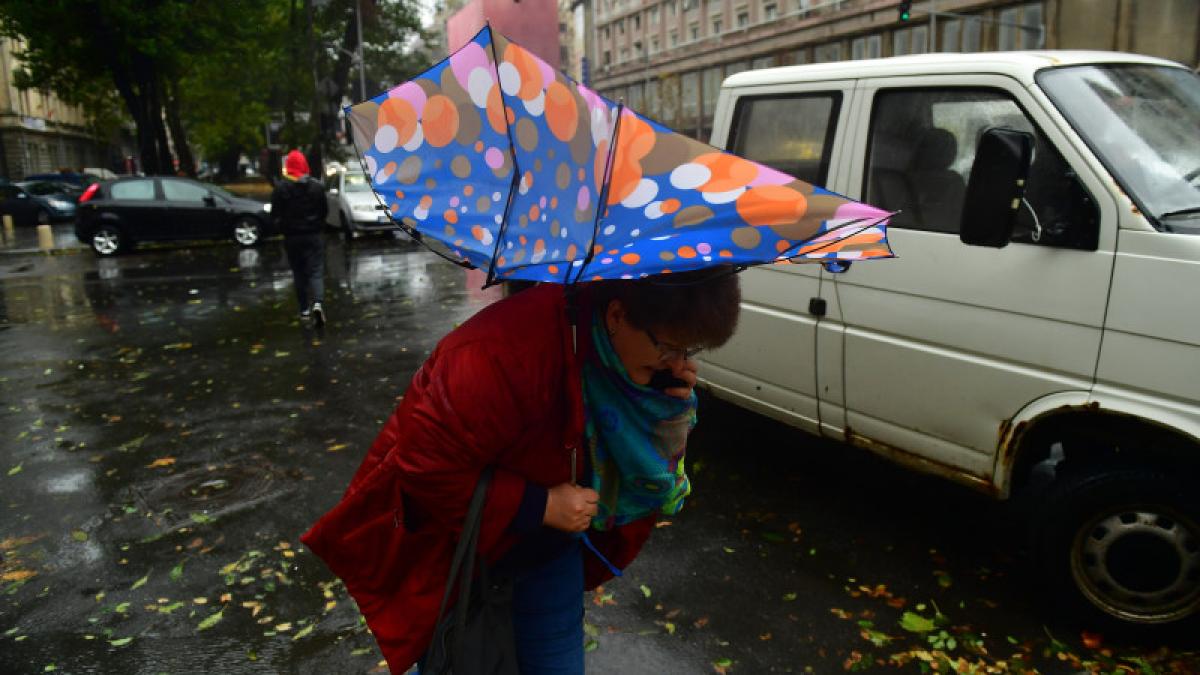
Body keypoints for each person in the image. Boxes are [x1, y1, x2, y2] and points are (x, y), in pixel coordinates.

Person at [301, 268, 741, 674]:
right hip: (462, 547)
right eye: (668, 347)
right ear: (616, 315)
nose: (676, 361)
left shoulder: (616, 350)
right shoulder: (500, 353)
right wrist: (542, 505)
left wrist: (662, 408)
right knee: (464, 659)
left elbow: (637, 465)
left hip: (550, 553)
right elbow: (424, 465)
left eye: (688, 351)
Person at [270, 149, 329, 325]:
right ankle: (318, 303)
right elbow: (324, 211)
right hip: (313, 235)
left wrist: (282, 228)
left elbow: (275, 214)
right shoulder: (317, 187)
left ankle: (304, 310)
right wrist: (318, 224)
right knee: (316, 271)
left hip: (292, 237)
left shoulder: (280, 189)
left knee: (298, 273)